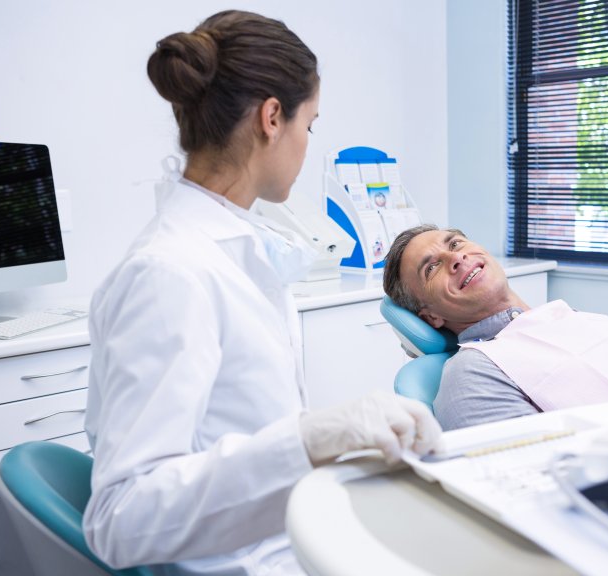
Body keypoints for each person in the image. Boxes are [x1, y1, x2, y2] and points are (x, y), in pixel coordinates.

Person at [82, 11, 441, 576]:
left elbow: (240, 437)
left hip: (288, 537)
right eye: (310, 125)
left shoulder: (233, 248)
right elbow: (121, 518)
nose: (307, 143)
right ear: (272, 117)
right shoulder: (170, 274)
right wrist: (311, 439)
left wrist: (327, 448)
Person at [383, 224, 608, 431]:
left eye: (454, 244)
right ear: (430, 317)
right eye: (432, 268)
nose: (456, 258)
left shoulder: (578, 319)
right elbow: (527, 481)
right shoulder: (472, 372)